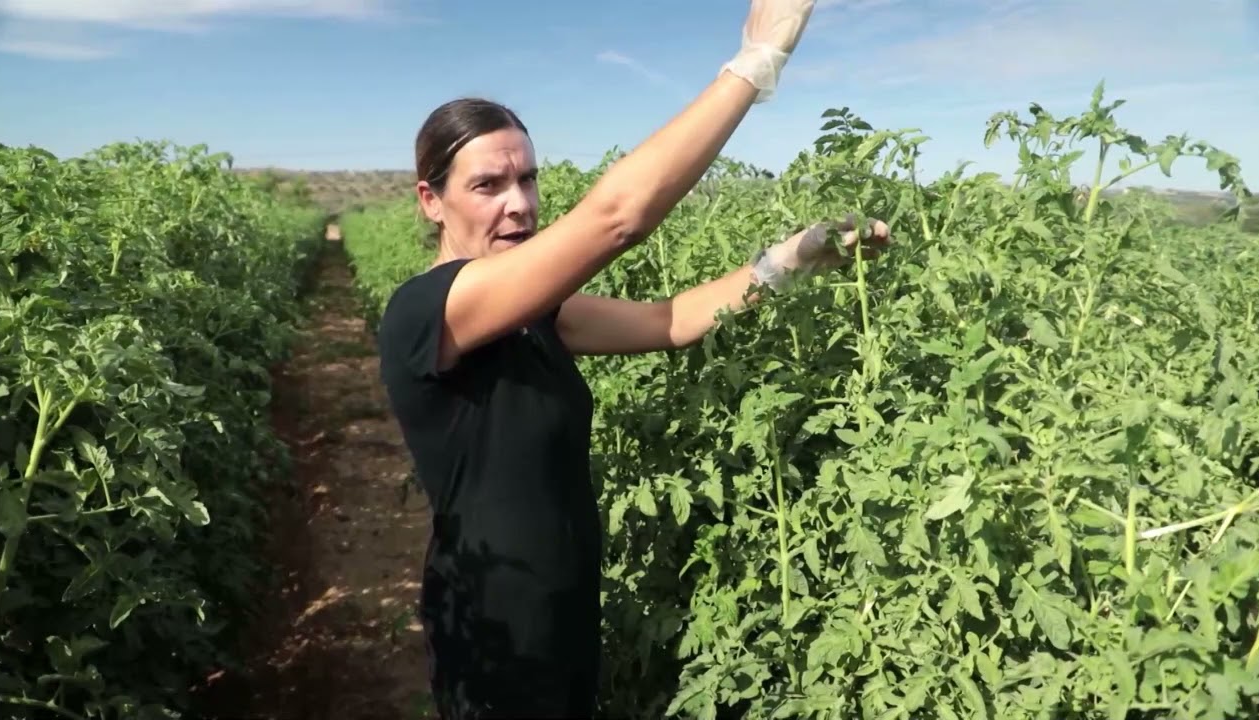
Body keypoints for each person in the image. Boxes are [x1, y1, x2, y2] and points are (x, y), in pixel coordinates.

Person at [376, 1, 889, 716]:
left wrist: (790, 259)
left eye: (527, 180)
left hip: (564, 617)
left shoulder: (537, 316)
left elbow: (669, 320)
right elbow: (616, 219)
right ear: (431, 201)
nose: (518, 204)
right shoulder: (427, 311)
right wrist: (755, 64)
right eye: (487, 186)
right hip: (494, 638)